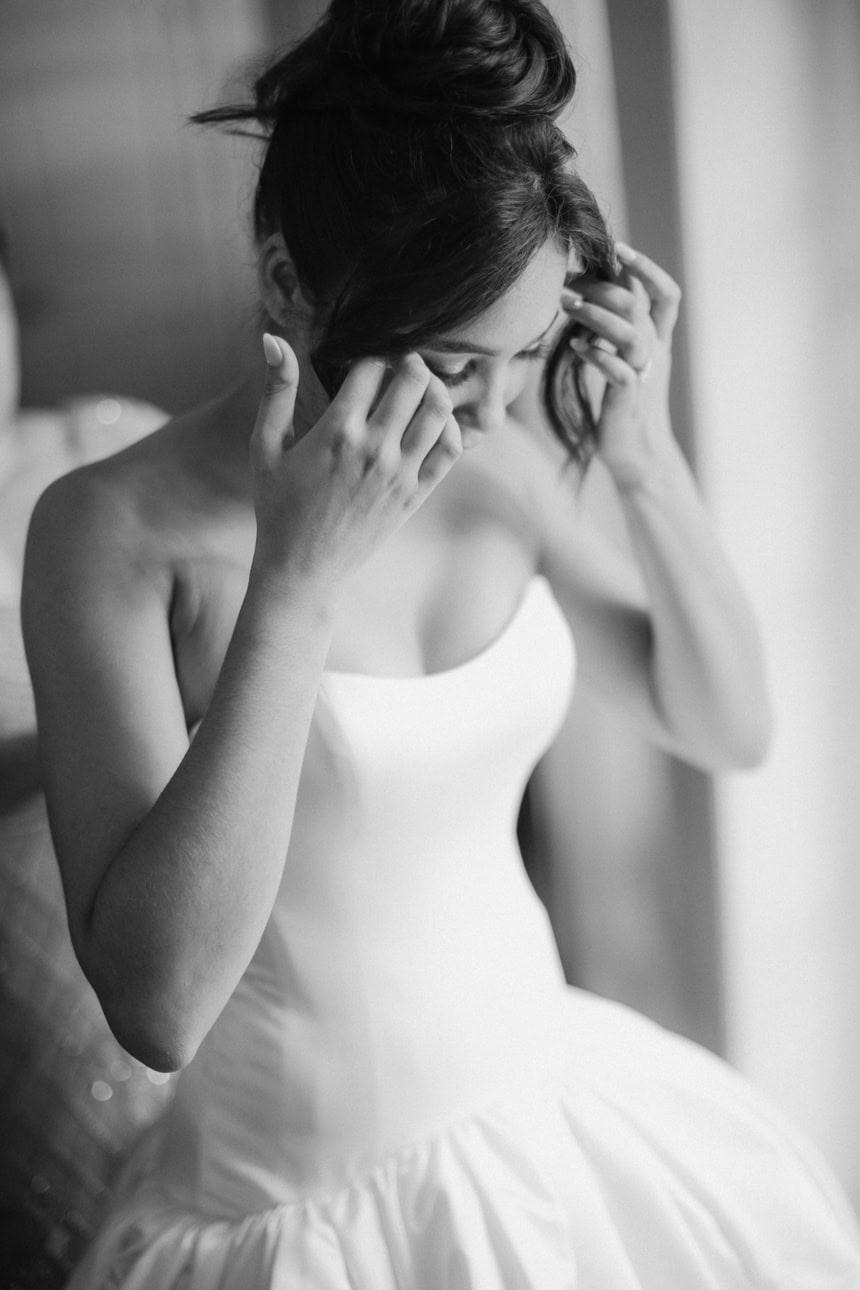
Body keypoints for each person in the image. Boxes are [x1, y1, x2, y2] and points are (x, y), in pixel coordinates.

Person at [20, 1, 860, 1285]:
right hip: (299, 1205)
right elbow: (158, 1005)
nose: (490, 406)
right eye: (450, 360)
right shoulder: (108, 531)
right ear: (293, 282)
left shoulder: (505, 456)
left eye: (522, 352)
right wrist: (292, 586)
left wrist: (644, 464)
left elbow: (726, 725)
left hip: (552, 1109)